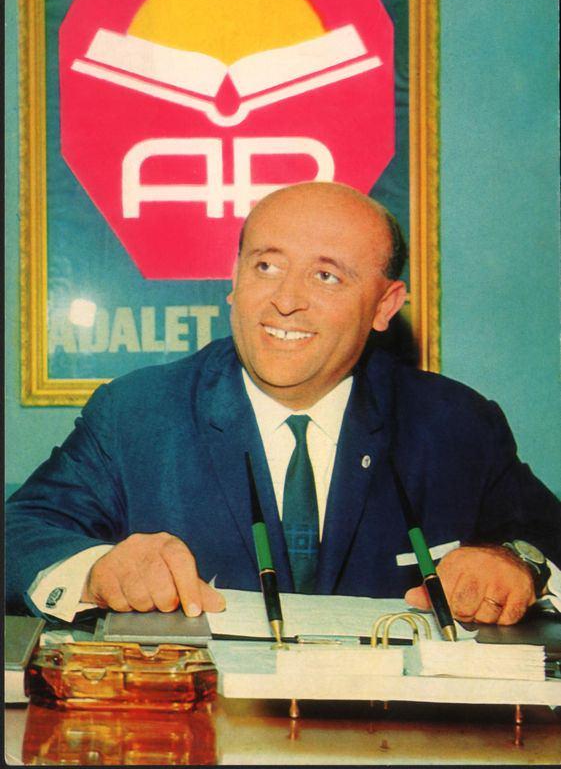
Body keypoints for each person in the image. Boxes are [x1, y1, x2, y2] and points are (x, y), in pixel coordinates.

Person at [6, 182, 561, 626]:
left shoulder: (457, 425)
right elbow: (20, 533)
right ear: (234, 279)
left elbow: (546, 540)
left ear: (385, 306)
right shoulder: (137, 413)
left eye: (326, 276)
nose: (286, 301)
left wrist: (519, 565)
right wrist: (97, 570)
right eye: (266, 266)